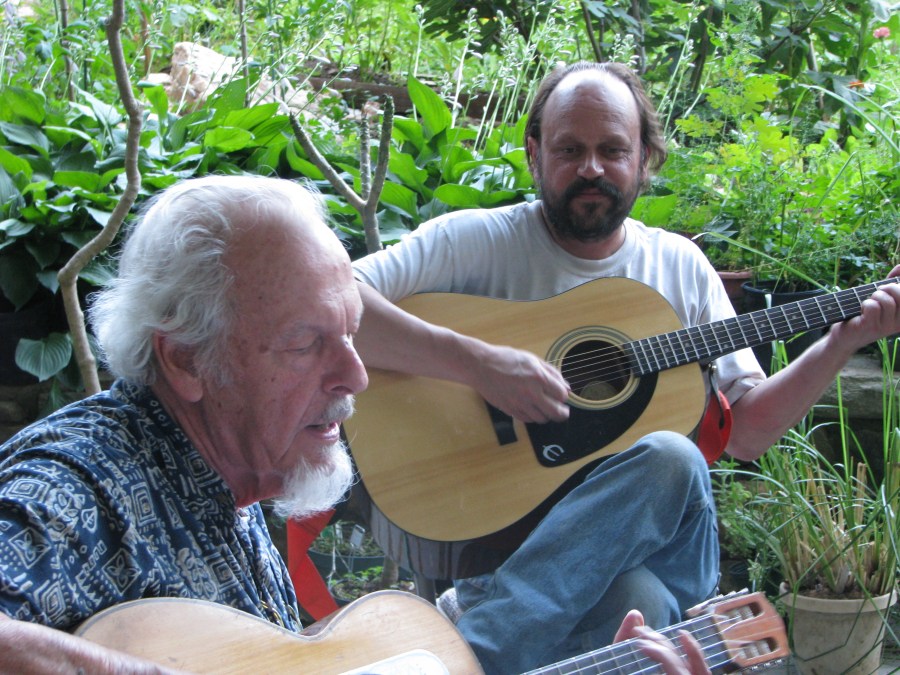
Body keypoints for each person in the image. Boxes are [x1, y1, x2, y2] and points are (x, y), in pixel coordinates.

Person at [0, 174, 711, 674]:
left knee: (648, 584)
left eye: (350, 333)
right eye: (306, 343)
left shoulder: (233, 484)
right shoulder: (83, 482)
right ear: (186, 360)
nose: (356, 375)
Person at [351, 61, 900, 674]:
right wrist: (476, 363)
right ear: (534, 154)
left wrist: (844, 341)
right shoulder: (473, 243)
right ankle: (493, 644)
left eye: (612, 150)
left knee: (670, 468)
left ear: (645, 160)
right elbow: (334, 301)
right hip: (505, 550)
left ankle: (472, 652)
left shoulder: (679, 267)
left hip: (646, 547)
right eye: (570, 149)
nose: (591, 168)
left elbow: (747, 434)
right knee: (645, 588)